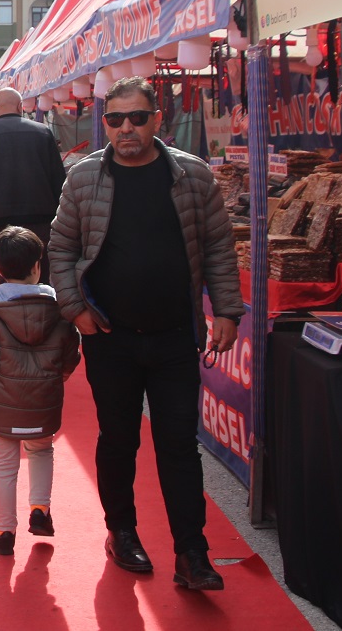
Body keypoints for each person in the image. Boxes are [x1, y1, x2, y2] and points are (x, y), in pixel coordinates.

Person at [49, 76, 241, 591]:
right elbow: (61, 249)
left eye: (137, 117)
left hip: (177, 335)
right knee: (119, 439)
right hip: (110, 337)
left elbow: (220, 248)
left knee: (178, 443)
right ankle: (122, 531)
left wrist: (227, 309)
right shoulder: (83, 178)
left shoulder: (193, 176)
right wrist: (75, 310)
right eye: (115, 119)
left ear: (159, 120)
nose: (126, 128)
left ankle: (192, 553)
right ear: (104, 123)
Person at [0, 227, 80, 557]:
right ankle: (40, 509)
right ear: (38, 265)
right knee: (41, 450)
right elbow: (71, 351)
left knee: (4, 465)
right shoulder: (58, 304)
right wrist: (61, 375)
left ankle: (4, 529)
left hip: (1, 404)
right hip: (44, 400)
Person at [0, 88, 67, 282]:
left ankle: (10, 311)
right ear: (20, 107)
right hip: (41, 216)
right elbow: (58, 180)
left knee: (7, 276)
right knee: (42, 274)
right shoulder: (42, 132)